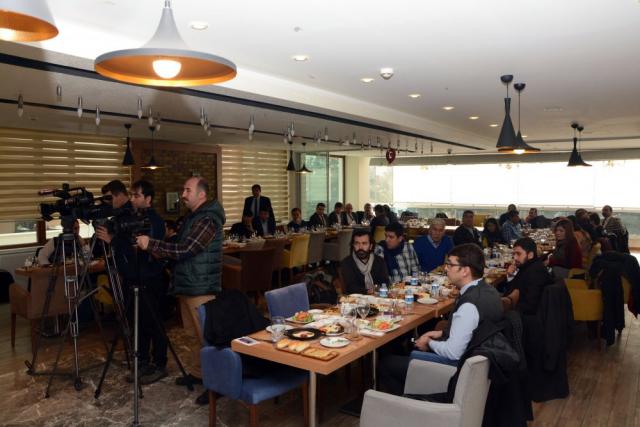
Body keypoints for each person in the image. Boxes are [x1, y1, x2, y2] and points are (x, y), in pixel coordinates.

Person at [136, 176, 225, 405]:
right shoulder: (192, 217)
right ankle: (199, 373)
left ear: (201, 194)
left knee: (207, 338)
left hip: (201, 287)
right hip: (188, 284)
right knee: (193, 335)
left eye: (187, 190)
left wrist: (152, 244)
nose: (183, 194)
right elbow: (177, 246)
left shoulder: (208, 219)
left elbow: (187, 249)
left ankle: (216, 385)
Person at [379, 244, 503, 395]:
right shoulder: (488, 290)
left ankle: (410, 403)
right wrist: (441, 333)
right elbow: (473, 329)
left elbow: (453, 353)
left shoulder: (469, 306)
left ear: (465, 271)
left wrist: (429, 343)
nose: (446, 268)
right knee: (412, 349)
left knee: (386, 364)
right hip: (479, 363)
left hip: (457, 370)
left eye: (450, 265)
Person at [97, 179, 167, 385]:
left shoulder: (154, 221)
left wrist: (113, 240)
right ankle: (143, 361)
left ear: (148, 199)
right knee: (138, 323)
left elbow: (143, 249)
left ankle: (160, 364)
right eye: (133, 195)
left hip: (150, 279)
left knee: (154, 324)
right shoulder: (133, 218)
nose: (133, 199)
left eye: (137, 195)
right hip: (133, 278)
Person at [502, 237, 553, 314]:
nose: (515, 258)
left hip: (528, 317)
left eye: (518, 254)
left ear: (530, 255)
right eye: (514, 254)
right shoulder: (528, 266)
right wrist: (510, 276)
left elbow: (530, 305)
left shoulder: (535, 272)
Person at [340, 228, 390, 295]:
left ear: (370, 246)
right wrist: (367, 291)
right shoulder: (347, 263)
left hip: (378, 297)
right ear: (353, 245)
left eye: (364, 243)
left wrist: (377, 289)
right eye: (357, 243)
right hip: (356, 299)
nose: (360, 247)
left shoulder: (379, 261)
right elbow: (350, 287)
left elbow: (385, 282)